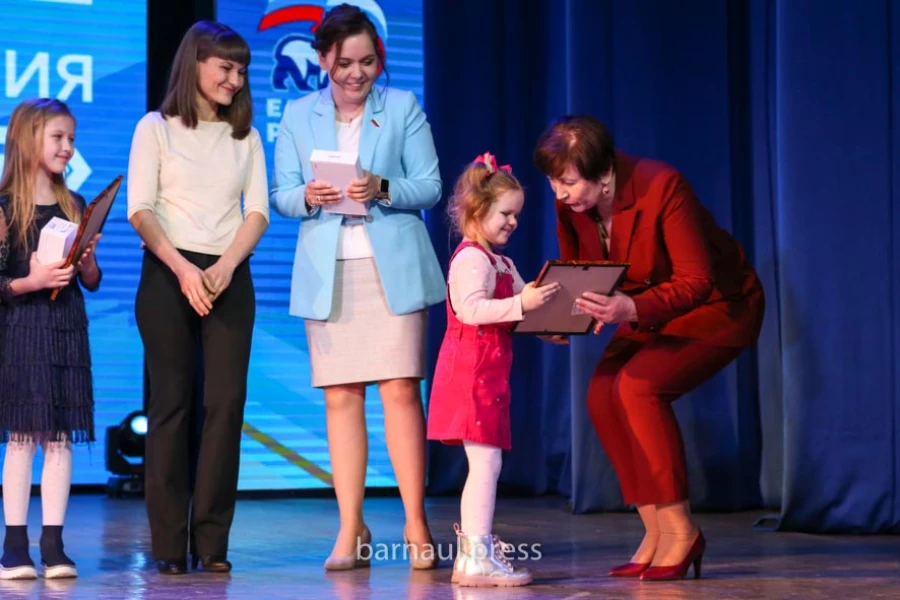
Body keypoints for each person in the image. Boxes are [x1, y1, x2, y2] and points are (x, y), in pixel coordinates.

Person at [534, 115, 764, 581]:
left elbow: (697, 281)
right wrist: (556, 318)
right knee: (602, 394)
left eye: (569, 183)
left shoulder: (663, 186)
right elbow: (579, 271)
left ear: (604, 176)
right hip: (642, 306)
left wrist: (628, 309)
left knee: (638, 387)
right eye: (553, 183)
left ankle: (682, 530)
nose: (560, 194)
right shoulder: (573, 203)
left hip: (719, 306)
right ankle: (654, 529)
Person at [270, 3, 444, 571]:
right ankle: (351, 528)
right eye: (344, 62)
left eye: (367, 62)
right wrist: (309, 198)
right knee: (342, 398)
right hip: (330, 270)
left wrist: (381, 186)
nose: (356, 74)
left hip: (389, 266)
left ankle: (416, 522)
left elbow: (430, 186)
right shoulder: (298, 114)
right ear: (323, 60)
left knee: (399, 391)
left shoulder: (401, 107)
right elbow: (282, 194)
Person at [126, 21, 269, 575]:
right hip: (168, 272)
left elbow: (256, 210)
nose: (235, 79)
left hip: (229, 274)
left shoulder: (247, 137)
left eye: (241, 71)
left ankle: (212, 540)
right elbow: (141, 208)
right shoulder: (155, 128)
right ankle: (167, 544)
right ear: (196, 65)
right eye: (225, 68)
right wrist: (185, 270)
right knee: (171, 405)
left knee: (225, 405)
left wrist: (227, 265)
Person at [427, 152, 560, 587]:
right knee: (485, 465)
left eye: (517, 215)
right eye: (506, 213)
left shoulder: (500, 262)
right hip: (469, 374)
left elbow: (522, 305)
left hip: (489, 375)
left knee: (488, 464)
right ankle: (475, 557)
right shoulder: (471, 260)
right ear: (477, 211)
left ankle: (474, 557)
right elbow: (471, 309)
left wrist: (549, 326)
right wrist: (525, 304)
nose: (513, 222)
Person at [0, 98, 102, 580]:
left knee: (59, 439)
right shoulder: (5, 208)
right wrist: (31, 282)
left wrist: (85, 263)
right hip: (22, 331)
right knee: (22, 439)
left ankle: (54, 544)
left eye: (72, 139)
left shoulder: (74, 204)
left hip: (65, 331)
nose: (68, 147)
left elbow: (92, 279)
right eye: (58, 138)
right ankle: (14, 546)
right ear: (27, 140)